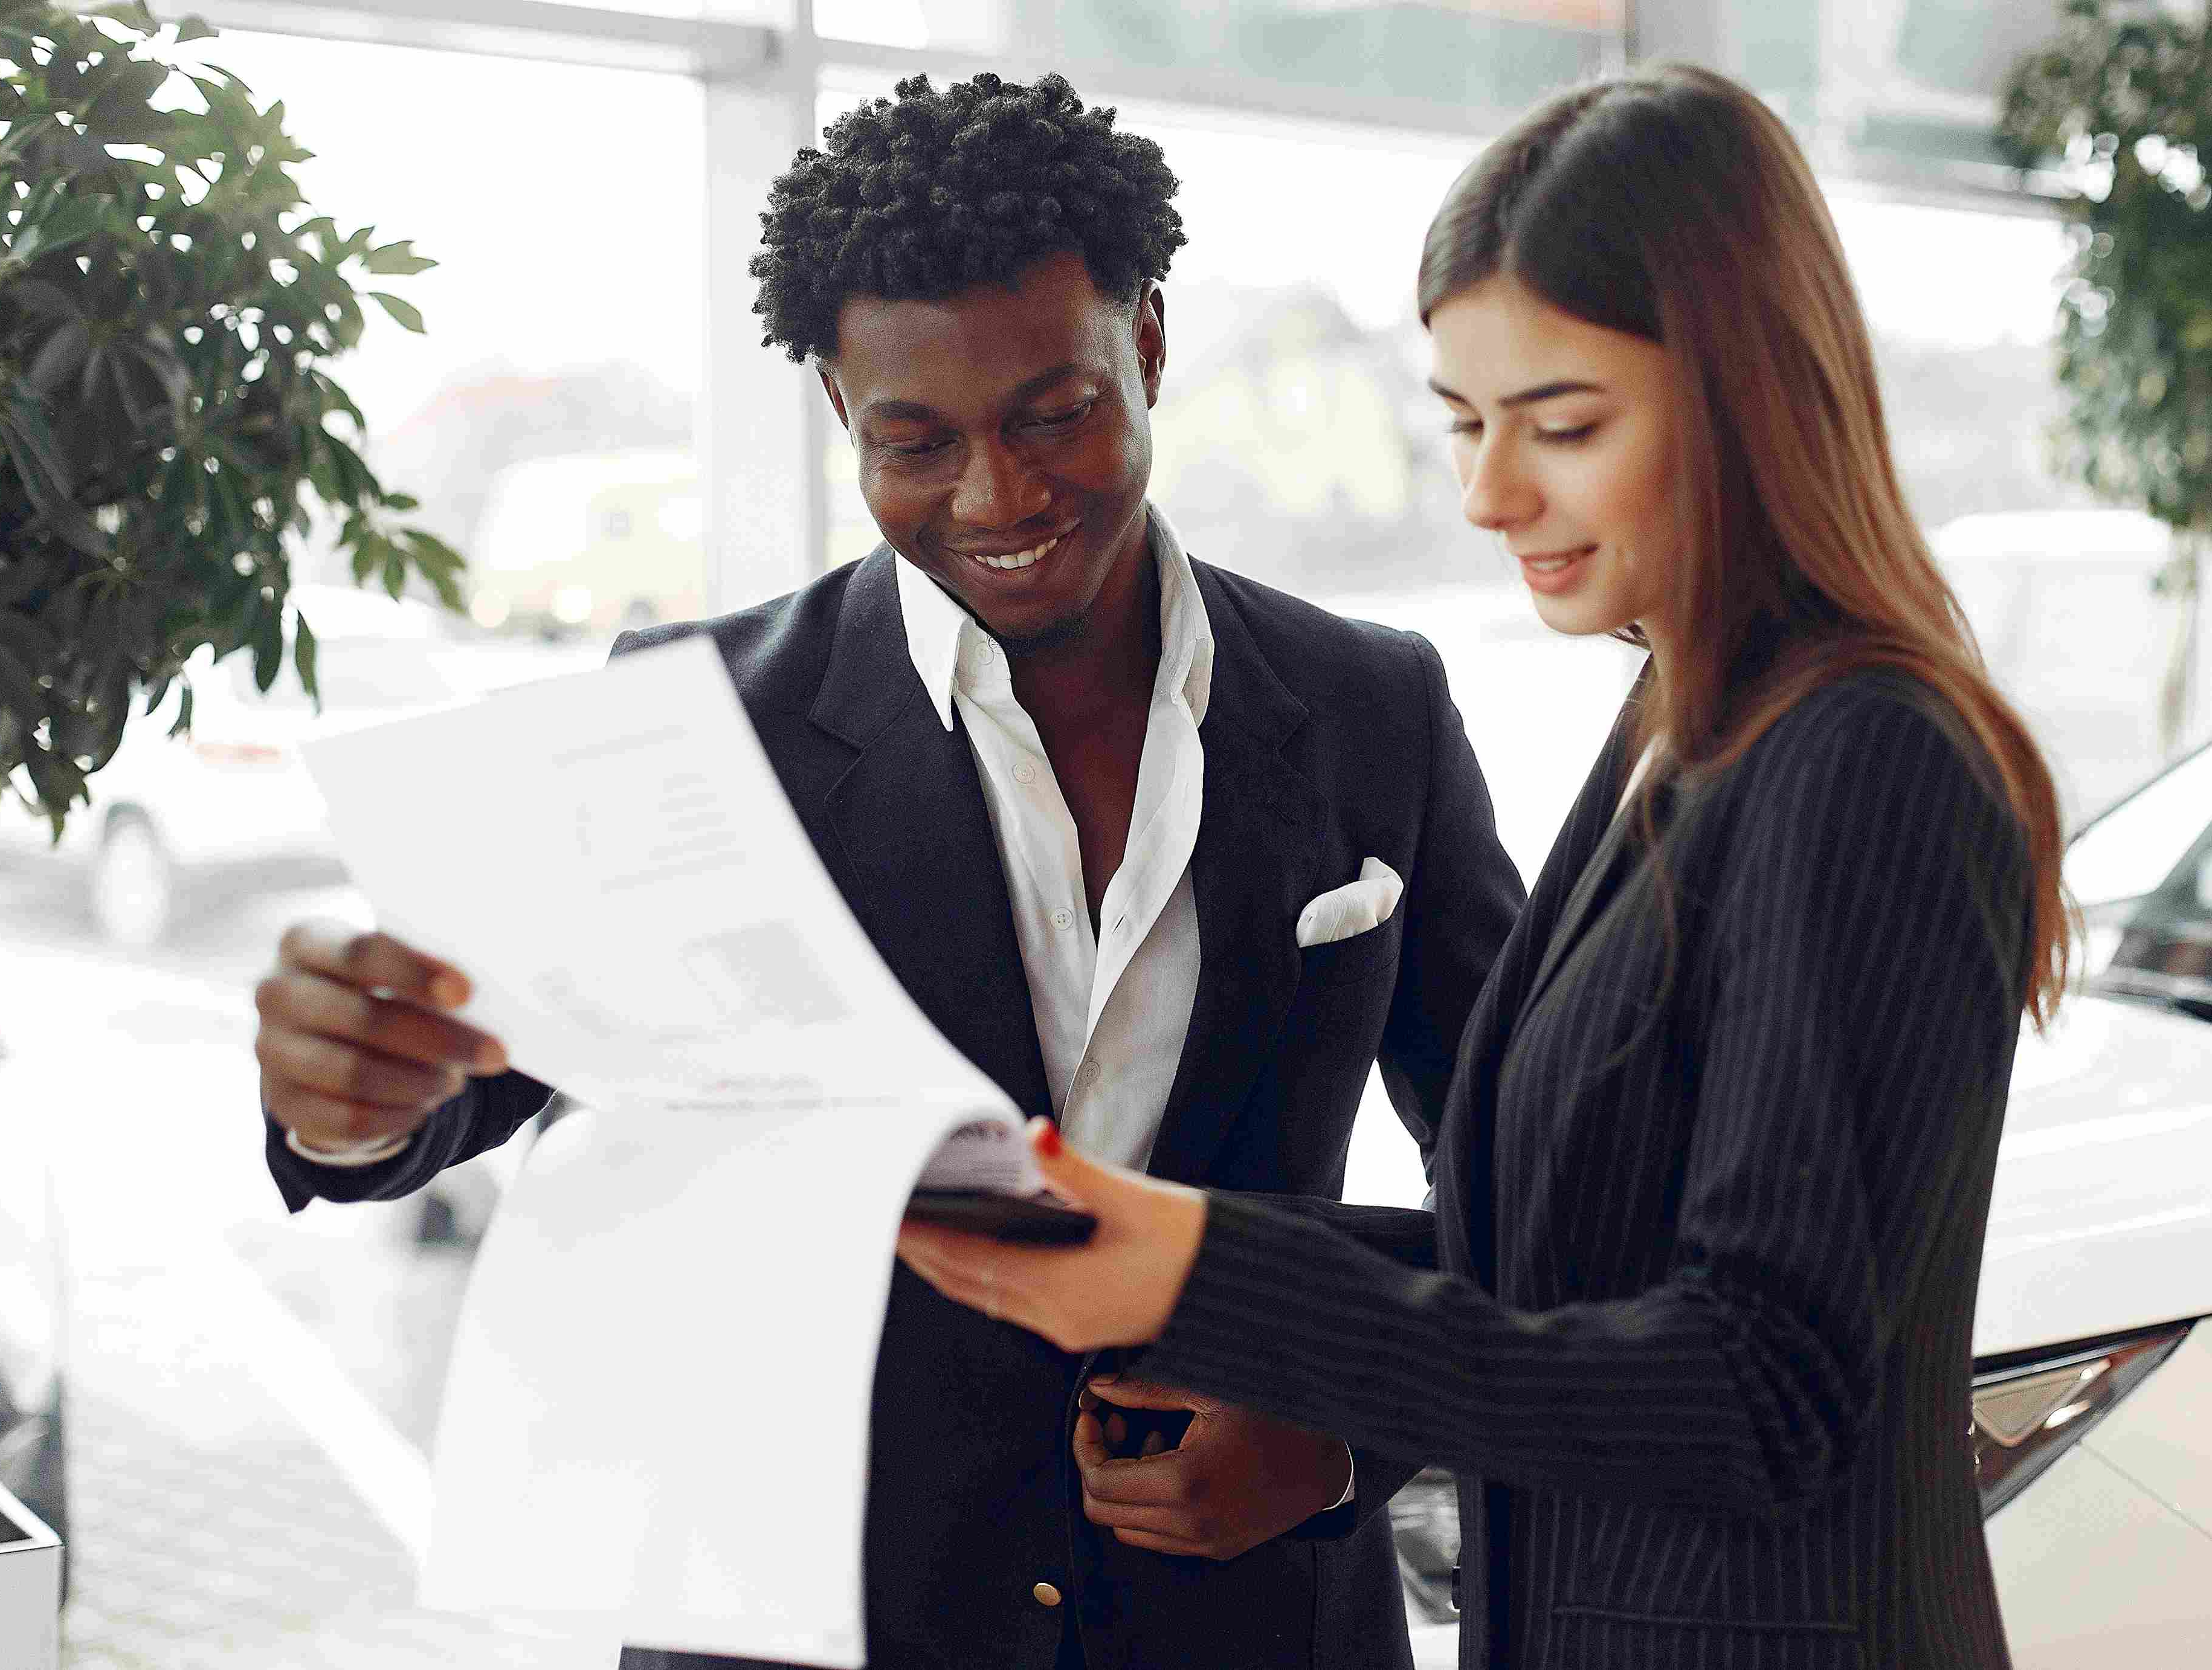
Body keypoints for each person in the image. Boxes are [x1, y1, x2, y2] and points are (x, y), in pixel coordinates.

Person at [248, 71, 1525, 1670]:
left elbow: (1534, 1173)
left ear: (1145, 340)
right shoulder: (699, 720)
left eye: (1052, 413)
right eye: (916, 441)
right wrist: (344, 1092)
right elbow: (465, 1082)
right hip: (819, 1628)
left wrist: (1348, 1430)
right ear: (843, 416)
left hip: (1250, 1619)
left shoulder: (1368, 703)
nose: (1000, 498)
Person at [897, 63, 2077, 1670]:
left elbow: (1760, 1387)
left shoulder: (1862, 754)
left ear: (1748, 392)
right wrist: (1173, 1263)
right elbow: (1556, 1257)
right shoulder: (1682, 716)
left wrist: (1203, 1268)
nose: (1486, 494)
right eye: (1462, 424)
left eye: (1563, 425)